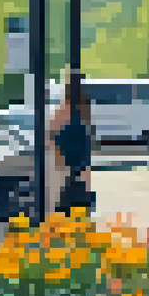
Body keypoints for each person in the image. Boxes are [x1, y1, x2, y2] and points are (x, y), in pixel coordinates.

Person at [52, 81, 96, 215]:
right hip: (76, 165)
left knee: (70, 193)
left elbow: (57, 139)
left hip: (71, 164)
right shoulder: (81, 116)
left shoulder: (65, 115)